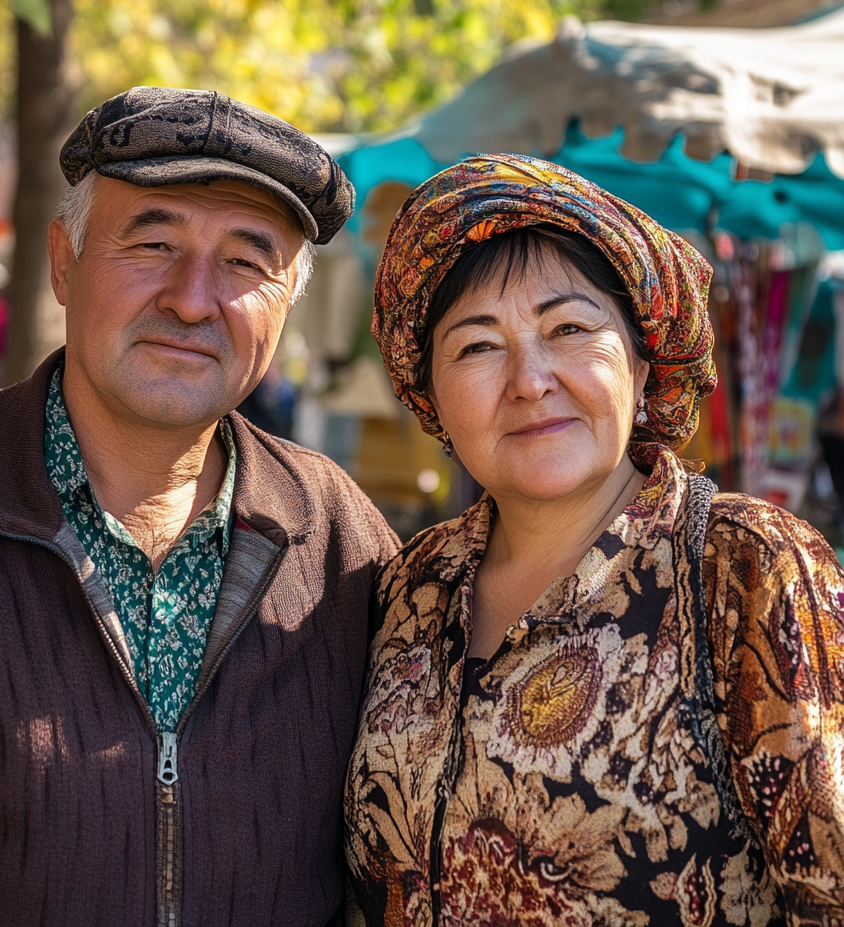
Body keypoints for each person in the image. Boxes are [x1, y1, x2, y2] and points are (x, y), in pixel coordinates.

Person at [0, 87, 399, 927]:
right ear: (63, 260)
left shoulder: (345, 541)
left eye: (245, 262)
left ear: (286, 309)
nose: (193, 298)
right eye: (153, 241)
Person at [344, 155, 844, 926]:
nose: (530, 379)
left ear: (643, 360)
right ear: (430, 393)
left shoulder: (745, 566)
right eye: (478, 345)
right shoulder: (409, 586)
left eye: (569, 328)